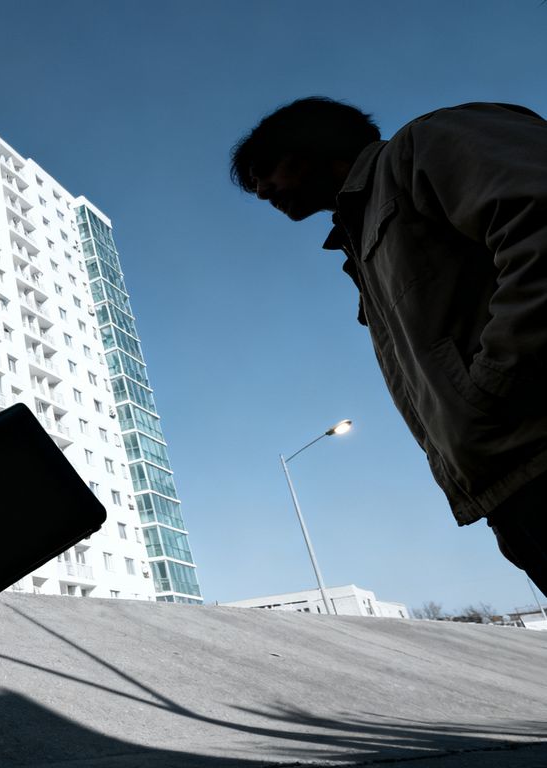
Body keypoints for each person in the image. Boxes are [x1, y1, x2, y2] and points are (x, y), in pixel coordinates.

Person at [230, 97, 547, 591]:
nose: (262, 189)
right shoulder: (362, 234)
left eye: (264, 170)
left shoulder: (425, 145)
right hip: (508, 483)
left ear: (311, 145)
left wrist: (496, 384)